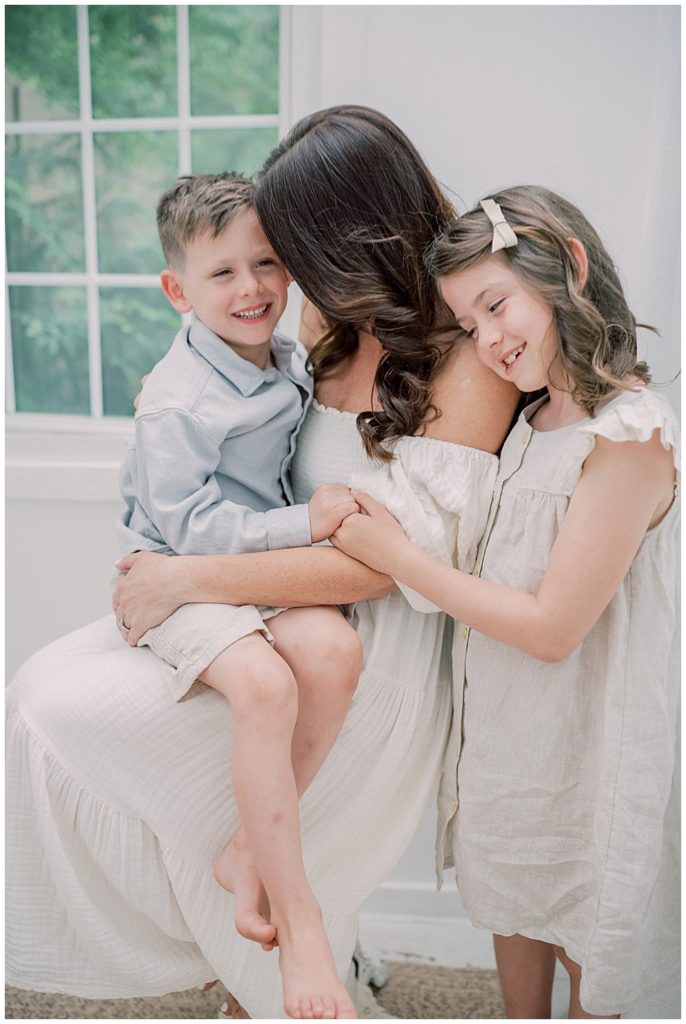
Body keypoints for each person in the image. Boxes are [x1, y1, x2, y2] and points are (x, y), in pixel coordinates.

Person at [6, 107, 517, 1019]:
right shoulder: (320, 322)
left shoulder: (463, 359)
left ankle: (278, 923)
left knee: (106, 713)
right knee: (47, 693)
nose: (279, 283)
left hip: (372, 655)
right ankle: (250, 931)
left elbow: (386, 567)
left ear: (353, 237)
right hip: (279, 607)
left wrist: (186, 578)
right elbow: (226, 407)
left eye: (288, 256)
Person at [330, 187, 680, 1019]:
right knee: (515, 906)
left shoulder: (627, 436)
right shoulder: (530, 421)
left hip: (588, 742)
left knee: (584, 929)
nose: (490, 340)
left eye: (498, 305)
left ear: (568, 267)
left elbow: (556, 628)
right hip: (512, 740)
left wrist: (398, 557)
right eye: (470, 323)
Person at [114, 171, 363, 1018]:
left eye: (266, 263)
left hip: (244, 571)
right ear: (178, 290)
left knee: (335, 648)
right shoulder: (176, 404)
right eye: (222, 274)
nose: (252, 288)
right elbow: (190, 535)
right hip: (175, 575)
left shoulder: (285, 357)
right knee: (266, 684)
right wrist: (306, 523)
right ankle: (301, 925)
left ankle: (244, 853)